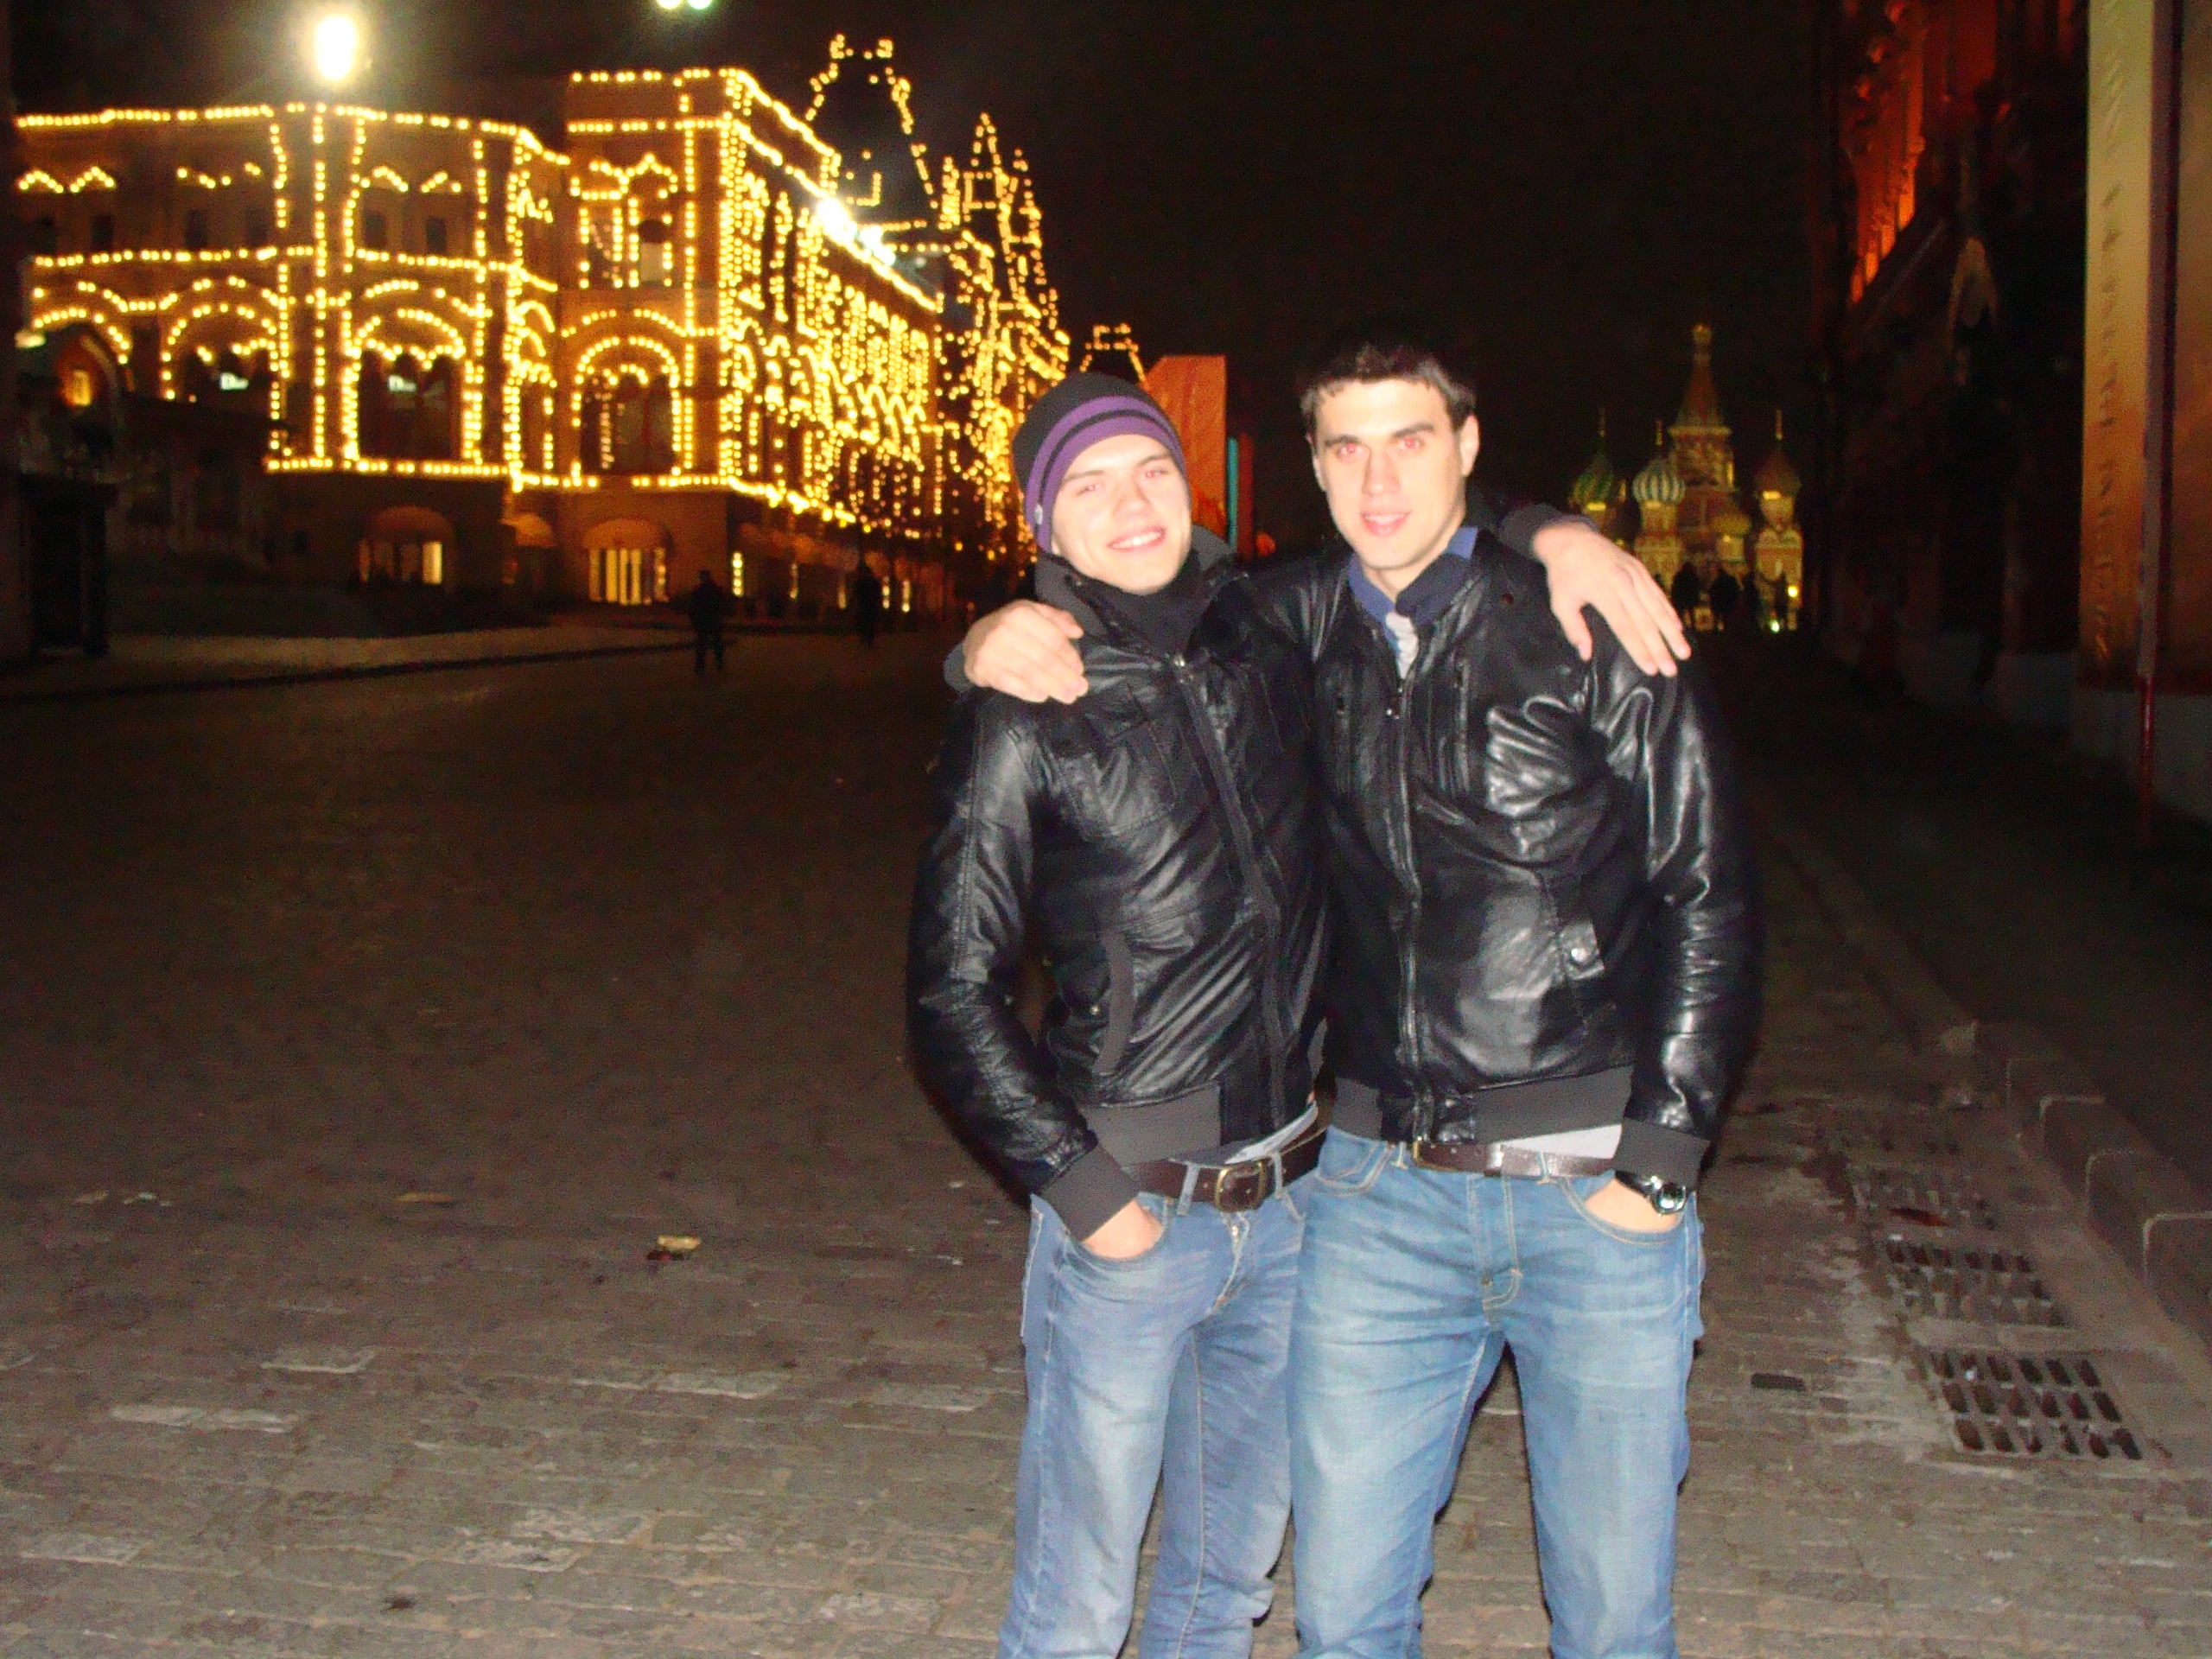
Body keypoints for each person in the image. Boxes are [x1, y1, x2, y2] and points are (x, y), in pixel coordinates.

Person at [959, 319, 1761, 1659]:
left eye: (1411, 441)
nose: (1380, 480)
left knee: (1616, 1621)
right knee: (1340, 1619)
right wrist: (987, 633)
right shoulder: (1290, 626)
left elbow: (1710, 891)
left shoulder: (1586, 626)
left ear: (1468, 448)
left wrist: (1662, 1166)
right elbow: (1134, 615)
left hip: (1591, 1193)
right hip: (1382, 1198)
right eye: (1348, 449)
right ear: (1316, 467)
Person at [908, 373, 1328, 1659]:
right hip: (1131, 1212)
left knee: (1223, 1587)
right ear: (1045, 523)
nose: (1130, 503)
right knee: (1077, 1608)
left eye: (1149, 469)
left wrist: (1560, 536)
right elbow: (951, 991)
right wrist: (1090, 1198)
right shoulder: (1021, 713)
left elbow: (1423, 546)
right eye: (1086, 484)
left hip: (1293, 1203)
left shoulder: (1270, 640)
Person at [683, 569, 733, 674]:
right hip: (713, 620)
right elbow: (722, 605)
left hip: (704, 620)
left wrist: (694, 620)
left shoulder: (699, 591)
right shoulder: (714, 590)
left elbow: (693, 607)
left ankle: (701, 665)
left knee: (703, 643)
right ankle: (717, 663)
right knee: (715, 642)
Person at [851, 556, 885, 647]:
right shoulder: (872, 583)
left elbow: (855, 594)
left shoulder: (862, 582)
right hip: (869, 606)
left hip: (866, 606)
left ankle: (866, 639)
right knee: (868, 623)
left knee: (865, 623)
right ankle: (868, 639)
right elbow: (878, 595)